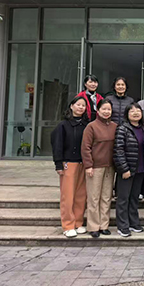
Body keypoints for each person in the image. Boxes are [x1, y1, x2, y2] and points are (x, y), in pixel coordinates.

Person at [51, 96, 89, 238]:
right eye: (78, 104)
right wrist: (58, 164)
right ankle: (68, 225)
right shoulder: (63, 125)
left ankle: (78, 223)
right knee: (68, 196)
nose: (81, 107)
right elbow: (57, 145)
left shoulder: (86, 125)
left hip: (83, 163)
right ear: (71, 106)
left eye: (83, 105)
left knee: (81, 196)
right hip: (68, 163)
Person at [81, 98, 117, 238]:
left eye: (109, 109)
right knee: (94, 197)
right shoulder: (91, 126)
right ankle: (93, 226)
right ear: (98, 110)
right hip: (95, 167)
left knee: (106, 197)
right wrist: (88, 165)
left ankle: (104, 225)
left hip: (110, 167)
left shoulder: (114, 126)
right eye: (104, 109)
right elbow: (86, 148)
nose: (106, 112)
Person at [114, 103, 144, 237]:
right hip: (127, 169)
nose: (135, 113)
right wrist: (124, 168)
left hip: (140, 169)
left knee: (134, 198)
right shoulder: (122, 129)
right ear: (127, 114)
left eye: (138, 110)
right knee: (123, 198)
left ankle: (133, 222)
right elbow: (118, 150)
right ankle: (122, 225)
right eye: (132, 111)